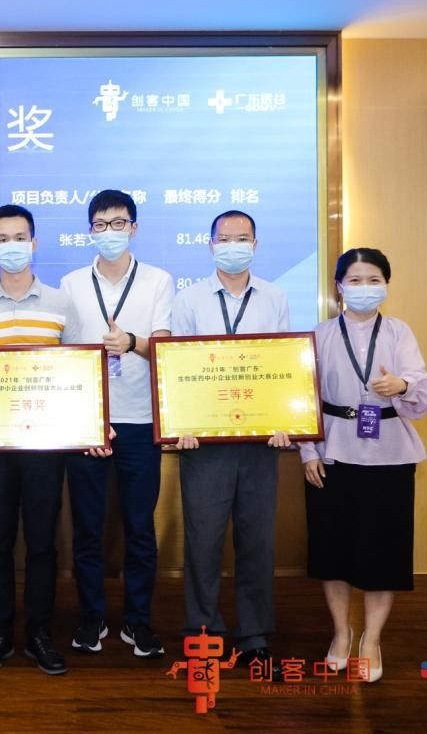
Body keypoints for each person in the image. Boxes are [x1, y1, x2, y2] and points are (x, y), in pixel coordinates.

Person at [0, 204, 94, 677]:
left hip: (45, 448)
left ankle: (39, 634)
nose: (11, 246)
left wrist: (91, 423)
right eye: (2, 238)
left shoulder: (60, 304)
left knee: (42, 542)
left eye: (19, 237)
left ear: (34, 243)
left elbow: (79, 371)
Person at [169, 209, 294, 676]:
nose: (233, 245)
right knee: (203, 542)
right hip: (204, 442)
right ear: (210, 245)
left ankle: (254, 636)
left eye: (242, 238)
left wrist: (285, 420)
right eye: (225, 238)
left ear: (255, 245)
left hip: (260, 440)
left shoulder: (275, 297)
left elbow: (284, 366)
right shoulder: (188, 300)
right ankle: (203, 634)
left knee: (257, 541)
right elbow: (178, 367)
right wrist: (180, 422)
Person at [301, 248, 427, 684]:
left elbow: (422, 389)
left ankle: (372, 639)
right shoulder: (319, 334)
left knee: (384, 552)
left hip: (390, 456)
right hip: (333, 455)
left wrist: (402, 384)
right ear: (339, 286)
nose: (364, 288)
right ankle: (341, 633)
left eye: (373, 279)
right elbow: (302, 398)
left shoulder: (399, 332)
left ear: (386, 284)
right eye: (354, 280)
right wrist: (308, 453)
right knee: (332, 551)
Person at [58, 190, 174, 658]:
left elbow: (163, 349)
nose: (110, 232)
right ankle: (92, 618)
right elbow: (66, 357)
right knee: (87, 529)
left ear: (134, 228)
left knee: (139, 528)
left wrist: (130, 341)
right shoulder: (70, 284)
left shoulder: (158, 280)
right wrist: (86, 418)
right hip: (88, 421)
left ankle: (138, 621)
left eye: (119, 223)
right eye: (101, 224)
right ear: (90, 231)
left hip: (140, 421)